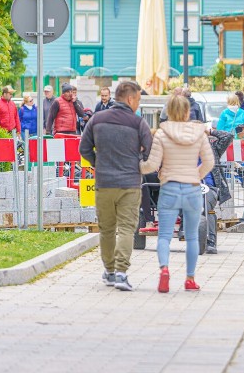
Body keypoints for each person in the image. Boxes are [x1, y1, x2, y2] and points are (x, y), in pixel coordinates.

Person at [80, 81, 153, 292]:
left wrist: (98, 163)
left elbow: (84, 148)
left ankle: (109, 271)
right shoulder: (139, 124)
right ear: (130, 99)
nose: (138, 104)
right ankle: (121, 272)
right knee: (127, 229)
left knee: (107, 229)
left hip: (104, 183)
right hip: (130, 184)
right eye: (138, 100)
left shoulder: (96, 120)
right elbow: (149, 152)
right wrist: (139, 164)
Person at [140, 94, 214, 293]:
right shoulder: (199, 133)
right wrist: (195, 175)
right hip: (191, 188)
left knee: (164, 236)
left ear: (169, 111)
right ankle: (190, 279)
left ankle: (164, 270)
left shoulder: (162, 135)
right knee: (191, 237)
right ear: (188, 111)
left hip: (170, 187)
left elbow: (152, 165)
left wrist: (137, 167)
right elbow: (209, 162)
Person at [202, 128, 233, 254]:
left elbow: (228, 137)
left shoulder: (213, 149)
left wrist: (210, 131)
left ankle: (211, 241)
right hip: (189, 186)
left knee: (207, 204)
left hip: (209, 187)